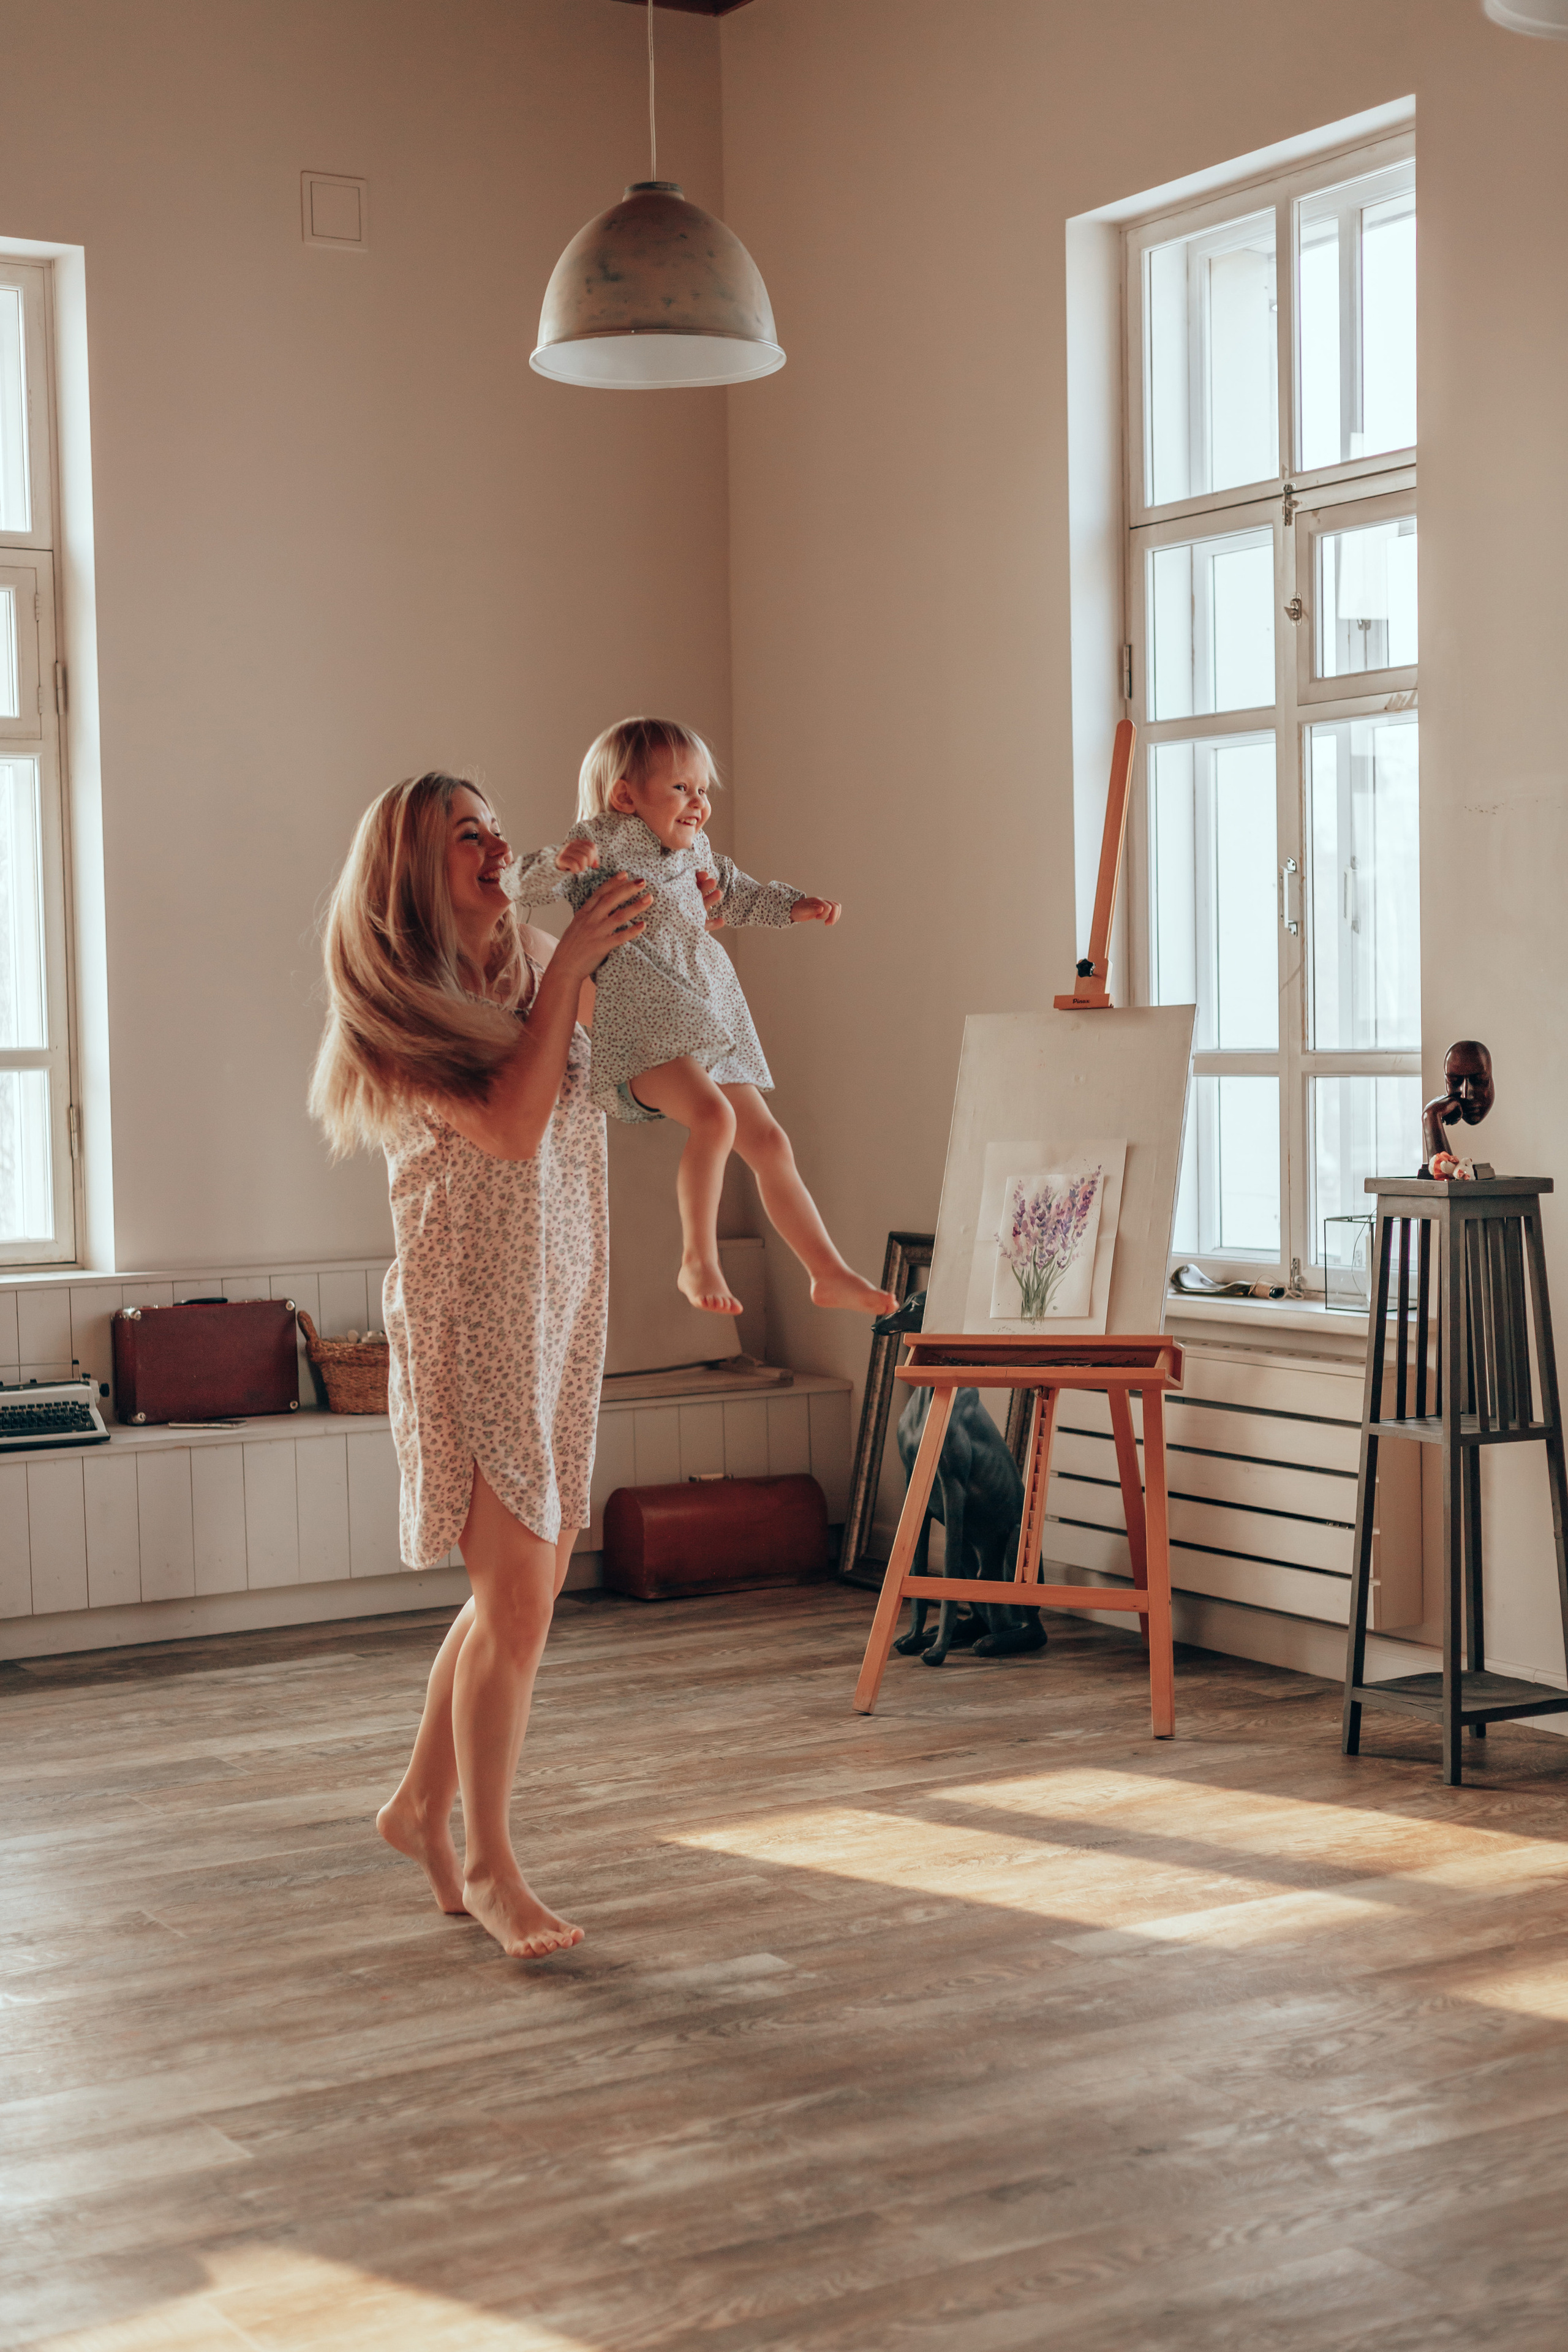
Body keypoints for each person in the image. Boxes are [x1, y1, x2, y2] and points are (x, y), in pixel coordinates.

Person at [309, 771, 656, 1959]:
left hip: (559, 1303)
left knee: (521, 1595)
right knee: (516, 1605)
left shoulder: (531, 961)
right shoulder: (397, 1012)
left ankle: (416, 1807)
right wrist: (572, 974)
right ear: (414, 867)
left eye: (494, 825)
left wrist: (657, 904)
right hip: (472, 1325)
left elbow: (652, 1057)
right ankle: (497, 1867)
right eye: (468, 833)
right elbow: (508, 1128)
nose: (495, 842)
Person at [507, 715, 895, 1320]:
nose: (699, 804)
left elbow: (738, 893)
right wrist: (562, 860)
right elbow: (522, 881)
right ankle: (697, 1259)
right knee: (712, 1117)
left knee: (769, 1141)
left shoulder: (696, 854)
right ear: (626, 796)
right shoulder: (601, 839)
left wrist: (796, 906)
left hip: (707, 1011)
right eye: (681, 789)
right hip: (642, 1017)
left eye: (703, 790)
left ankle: (827, 1271)